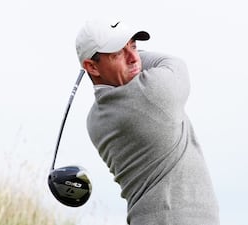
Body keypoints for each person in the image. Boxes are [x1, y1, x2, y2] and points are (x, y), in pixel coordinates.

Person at [75, 19, 220, 225]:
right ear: (91, 66)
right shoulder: (152, 92)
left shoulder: (94, 119)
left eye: (134, 46)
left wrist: (113, 54)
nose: (134, 58)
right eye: (118, 53)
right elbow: (175, 63)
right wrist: (134, 53)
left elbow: (129, 66)